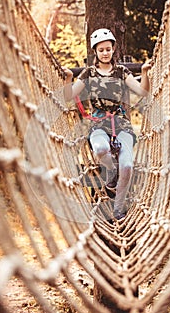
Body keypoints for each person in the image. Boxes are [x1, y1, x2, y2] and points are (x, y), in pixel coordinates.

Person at [63, 28, 151, 221]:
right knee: (101, 149)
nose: (105, 52)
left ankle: (118, 209)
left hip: (121, 124)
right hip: (99, 123)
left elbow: (142, 92)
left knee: (127, 166)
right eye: (101, 49)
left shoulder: (122, 71)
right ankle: (111, 170)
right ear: (95, 51)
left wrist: (144, 73)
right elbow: (69, 96)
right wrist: (69, 77)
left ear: (113, 50)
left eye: (108, 49)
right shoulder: (88, 73)